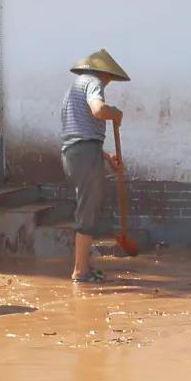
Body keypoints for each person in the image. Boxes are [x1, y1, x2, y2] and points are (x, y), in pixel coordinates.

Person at [60, 49, 128, 283]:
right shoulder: (92, 82)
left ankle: (84, 267)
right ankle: (81, 271)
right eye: (109, 78)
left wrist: (105, 157)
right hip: (84, 152)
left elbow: (79, 132)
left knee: (87, 206)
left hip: (76, 152)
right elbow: (98, 110)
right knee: (88, 209)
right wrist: (115, 114)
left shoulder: (74, 88)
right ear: (102, 72)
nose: (108, 83)